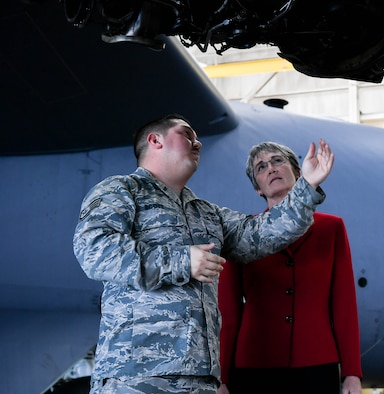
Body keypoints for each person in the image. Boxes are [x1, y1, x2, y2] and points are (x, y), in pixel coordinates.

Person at [73, 114, 334, 394]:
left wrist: (306, 187)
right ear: (155, 140)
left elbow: (262, 233)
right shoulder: (122, 190)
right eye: (186, 134)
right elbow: (95, 251)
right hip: (136, 375)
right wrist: (183, 262)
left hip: (199, 377)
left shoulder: (206, 213)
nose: (197, 143)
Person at [217, 142, 363, 394]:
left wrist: (352, 373)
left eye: (277, 161)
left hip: (317, 363)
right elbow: (228, 314)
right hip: (254, 364)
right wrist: (222, 378)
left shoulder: (332, 228)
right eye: (261, 167)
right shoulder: (241, 232)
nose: (271, 168)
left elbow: (344, 305)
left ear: (298, 173)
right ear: (257, 188)